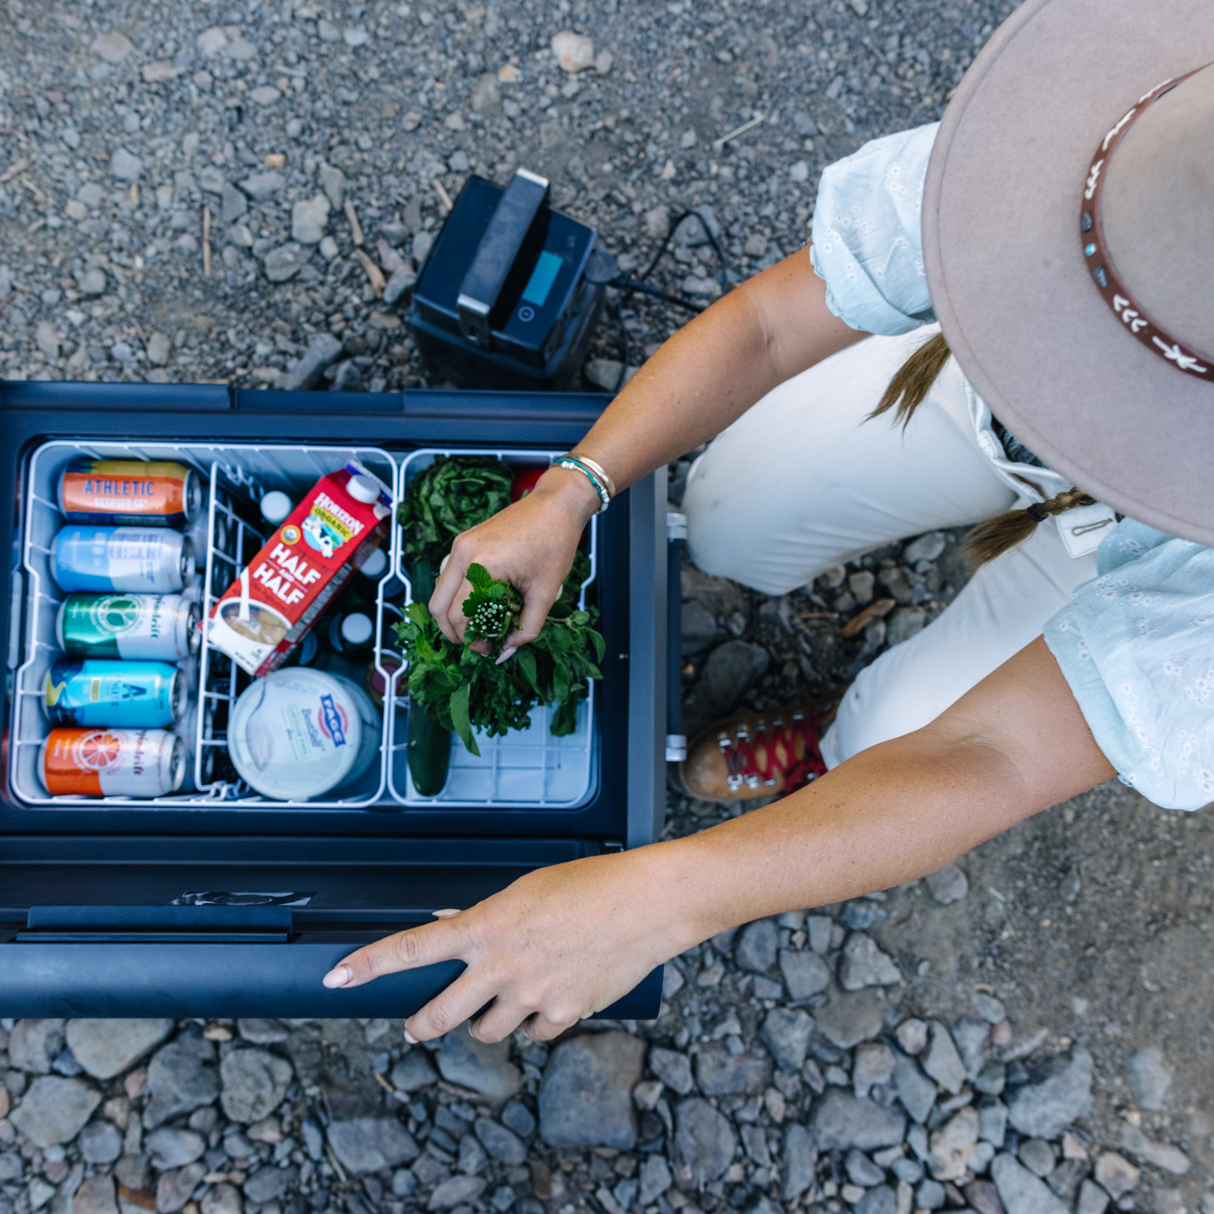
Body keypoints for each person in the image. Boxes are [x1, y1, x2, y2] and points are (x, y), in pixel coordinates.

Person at [322, 0, 1214, 1043]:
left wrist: (662, 894)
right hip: (966, 389)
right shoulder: (1122, 143)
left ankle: (835, 744)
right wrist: (570, 491)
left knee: (899, 736)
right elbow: (760, 326)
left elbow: (996, 755)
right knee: (730, 516)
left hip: (1144, 563)